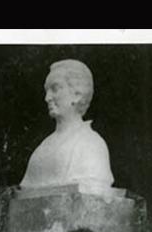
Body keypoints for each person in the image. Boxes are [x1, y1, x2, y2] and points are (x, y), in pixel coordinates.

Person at [20, 60, 114, 189]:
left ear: (77, 94)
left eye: (55, 89)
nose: (47, 98)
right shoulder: (42, 148)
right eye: (47, 91)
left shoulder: (92, 145)